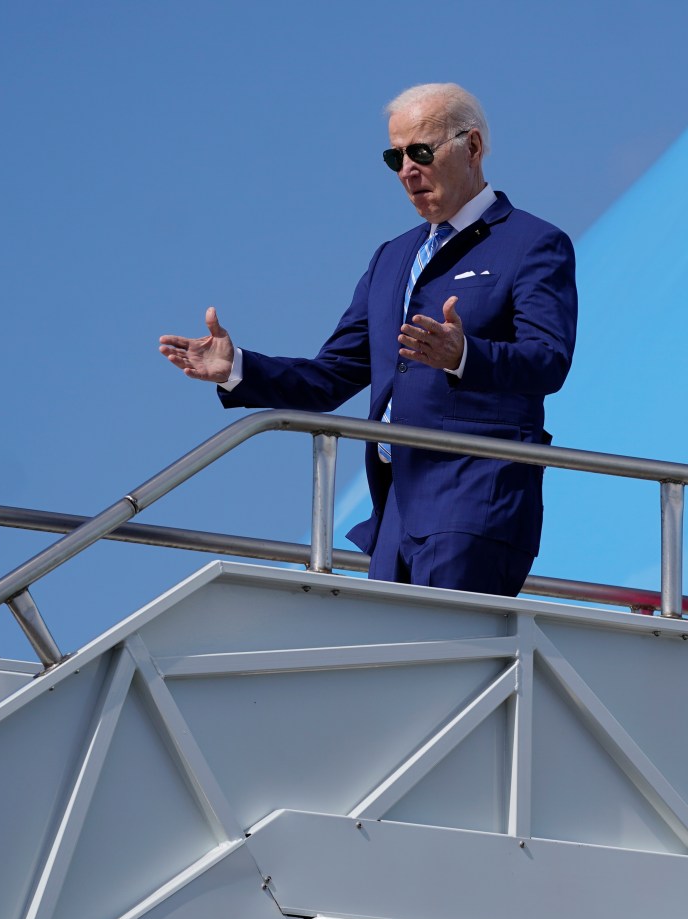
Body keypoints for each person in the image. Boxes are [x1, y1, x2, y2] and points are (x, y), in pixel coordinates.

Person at [158, 83, 577, 596]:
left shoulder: (533, 242)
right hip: (395, 508)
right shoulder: (391, 259)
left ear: (472, 147)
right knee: (393, 668)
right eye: (394, 156)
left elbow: (547, 360)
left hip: (475, 497)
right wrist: (237, 368)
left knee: (444, 666)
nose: (407, 169)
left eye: (421, 151)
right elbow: (330, 376)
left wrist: (465, 355)